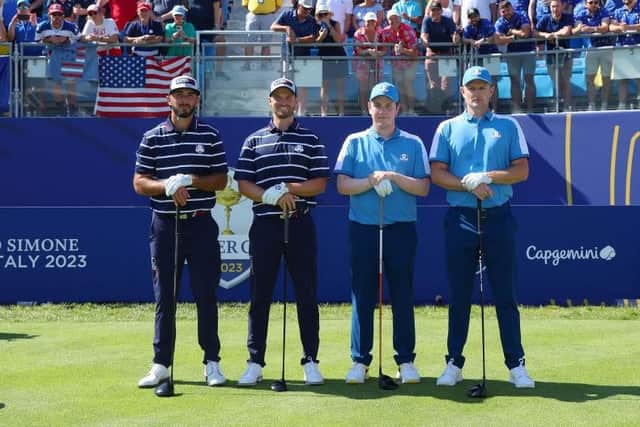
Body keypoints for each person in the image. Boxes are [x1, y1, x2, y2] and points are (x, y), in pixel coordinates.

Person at [429, 65, 534, 389]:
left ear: (491, 92)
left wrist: (487, 177)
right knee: (459, 295)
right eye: (470, 88)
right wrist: (467, 184)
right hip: (460, 217)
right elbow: (437, 174)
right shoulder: (447, 128)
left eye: (482, 88)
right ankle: (454, 362)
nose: (476, 93)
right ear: (462, 92)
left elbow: (521, 170)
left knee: (505, 294)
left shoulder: (508, 125)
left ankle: (516, 364)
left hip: (498, 216)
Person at [133, 75, 229, 389]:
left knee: (206, 295)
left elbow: (219, 180)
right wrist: (165, 185)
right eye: (179, 95)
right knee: (165, 298)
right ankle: (161, 364)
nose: (184, 100)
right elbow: (139, 182)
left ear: (197, 100)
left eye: (190, 95)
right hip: (164, 226)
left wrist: (188, 179)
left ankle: (211, 362)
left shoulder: (210, 135)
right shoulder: (152, 137)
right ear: (169, 99)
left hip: (201, 223)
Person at [234, 78, 329, 386]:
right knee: (260, 295)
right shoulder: (254, 140)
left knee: (306, 294)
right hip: (265, 225)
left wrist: (287, 188)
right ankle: (255, 361)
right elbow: (244, 183)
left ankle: (311, 360)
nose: (283, 102)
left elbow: (319, 183)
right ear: (270, 101)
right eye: (278, 97)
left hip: (300, 223)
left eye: (288, 97)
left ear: (295, 102)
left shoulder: (311, 139)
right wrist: (269, 196)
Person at [334, 82, 430, 385]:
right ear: (369, 108)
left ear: (398, 109)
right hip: (363, 227)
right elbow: (342, 185)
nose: (383, 111)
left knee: (402, 293)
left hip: (400, 228)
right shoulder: (354, 141)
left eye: (388, 105)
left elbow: (423, 187)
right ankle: (359, 360)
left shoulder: (413, 143)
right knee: (362, 294)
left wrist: (393, 177)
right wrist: (370, 181)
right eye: (378, 105)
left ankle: (406, 360)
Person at [270, 0, 319, 115]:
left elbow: (313, 37)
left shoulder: (311, 20)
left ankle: (301, 112)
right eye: (305, 8)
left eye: (309, 9)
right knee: (286, 84)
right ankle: (285, 111)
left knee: (304, 85)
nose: (307, 11)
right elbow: (273, 26)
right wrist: (287, 28)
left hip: (304, 56)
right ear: (299, 6)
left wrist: (296, 40)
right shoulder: (287, 14)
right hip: (287, 56)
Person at [35, 2, 79, 115]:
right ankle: (62, 110)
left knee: (70, 84)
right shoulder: (42, 26)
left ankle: (74, 110)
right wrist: (49, 39)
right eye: (54, 15)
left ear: (63, 15)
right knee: (56, 84)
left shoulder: (71, 27)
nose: (57, 17)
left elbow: (79, 40)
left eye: (59, 14)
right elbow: (37, 41)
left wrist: (66, 40)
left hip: (68, 57)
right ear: (49, 15)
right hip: (51, 58)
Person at [494, 0, 537, 113]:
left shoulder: (522, 14)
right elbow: (497, 40)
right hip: (513, 53)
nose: (506, 13)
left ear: (512, 8)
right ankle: (516, 109)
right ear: (500, 12)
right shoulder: (499, 22)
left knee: (529, 79)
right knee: (515, 81)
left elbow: (525, 33)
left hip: (528, 51)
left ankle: (530, 109)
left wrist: (511, 31)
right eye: (503, 11)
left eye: (508, 10)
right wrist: (513, 38)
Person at [420, 0, 460, 114]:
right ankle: (435, 109)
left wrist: (456, 38)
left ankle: (447, 109)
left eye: (437, 10)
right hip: (432, 55)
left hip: (447, 54)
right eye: (433, 10)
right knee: (434, 84)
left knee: (447, 84)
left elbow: (454, 37)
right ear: (430, 11)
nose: (435, 13)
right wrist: (425, 40)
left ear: (441, 11)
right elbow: (424, 35)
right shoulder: (427, 21)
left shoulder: (448, 21)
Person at [574, 0, 613, 111]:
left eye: (596, 2)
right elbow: (578, 29)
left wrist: (591, 29)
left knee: (606, 78)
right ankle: (592, 104)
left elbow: (605, 27)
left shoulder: (604, 11)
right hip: (590, 49)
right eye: (591, 2)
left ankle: (605, 104)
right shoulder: (581, 14)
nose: (594, 5)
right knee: (589, 78)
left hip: (606, 47)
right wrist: (580, 29)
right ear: (586, 4)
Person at [535, 0, 575, 111]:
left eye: (557, 6)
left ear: (562, 7)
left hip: (566, 54)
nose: (554, 9)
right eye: (552, 6)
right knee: (556, 82)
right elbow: (535, 32)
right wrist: (545, 35)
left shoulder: (567, 17)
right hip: (551, 56)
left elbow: (566, 31)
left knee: (566, 81)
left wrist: (553, 35)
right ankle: (557, 106)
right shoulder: (545, 18)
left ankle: (567, 107)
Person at [380, 9, 419, 115]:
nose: (393, 21)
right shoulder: (385, 31)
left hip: (411, 61)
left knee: (407, 83)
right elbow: (381, 46)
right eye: (390, 19)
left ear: (400, 19)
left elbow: (414, 53)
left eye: (395, 18)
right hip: (396, 62)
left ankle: (411, 110)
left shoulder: (408, 30)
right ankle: (405, 110)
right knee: (400, 85)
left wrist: (402, 50)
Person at [315, 0, 348, 116]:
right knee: (324, 86)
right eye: (321, 14)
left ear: (329, 14)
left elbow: (338, 40)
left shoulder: (336, 23)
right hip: (324, 57)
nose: (323, 16)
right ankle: (323, 113)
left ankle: (341, 112)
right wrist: (321, 36)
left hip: (338, 56)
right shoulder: (315, 25)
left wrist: (329, 26)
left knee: (340, 85)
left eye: (325, 14)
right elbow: (315, 43)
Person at [462, 8, 499, 108]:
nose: (473, 19)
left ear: (479, 16)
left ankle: (494, 109)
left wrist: (482, 41)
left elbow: (493, 37)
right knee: (480, 83)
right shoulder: (469, 27)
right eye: (471, 17)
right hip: (478, 58)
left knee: (492, 83)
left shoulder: (485, 22)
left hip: (491, 56)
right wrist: (471, 41)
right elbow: (463, 38)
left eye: (475, 16)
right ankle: (483, 108)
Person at [609, 0, 640, 110]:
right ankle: (622, 105)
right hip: (622, 47)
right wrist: (619, 28)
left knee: (639, 77)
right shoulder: (618, 11)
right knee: (622, 79)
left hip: (637, 47)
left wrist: (628, 27)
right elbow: (611, 27)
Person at [353, 11, 385, 114]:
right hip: (361, 63)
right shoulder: (358, 33)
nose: (370, 23)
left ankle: (373, 109)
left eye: (372, 21)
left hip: (376, 62)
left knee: (374, 87)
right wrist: (368, 51)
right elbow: (358, 50)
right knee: (363, 87)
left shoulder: (380, 33)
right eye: (368, 21)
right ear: (364, 22)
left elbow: (384, 49)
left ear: (375, 22)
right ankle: (363, 109)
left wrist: (378, 53)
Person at [241, 0, 282, 71]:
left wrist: (269, 11)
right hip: (253, 15)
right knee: (249, 42)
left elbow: (278, 4)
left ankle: (264, 65)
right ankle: (247, 65)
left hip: (268, 15)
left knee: (266, 42)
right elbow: (245, 4)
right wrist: (255, 9)